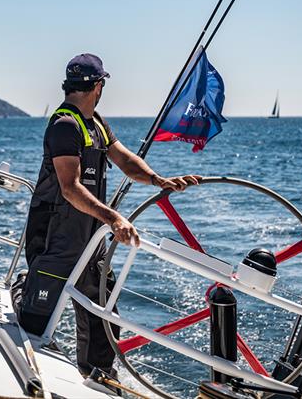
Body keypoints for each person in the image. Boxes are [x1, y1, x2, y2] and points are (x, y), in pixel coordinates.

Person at [13, 53, 200, 378]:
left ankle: (98, 379)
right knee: (34, 323)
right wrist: (114, 218)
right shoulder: (64, 126)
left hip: (90, 244)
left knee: (104, 320)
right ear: (99, 85)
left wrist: (159, 180)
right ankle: (23, 289)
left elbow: (126, 160)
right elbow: (69, 188)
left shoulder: (95, 122)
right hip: (56, 242)